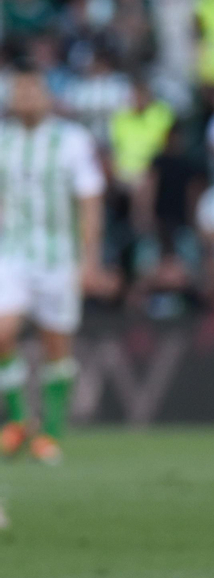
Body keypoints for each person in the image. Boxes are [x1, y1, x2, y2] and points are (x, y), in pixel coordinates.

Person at [0, 67, 112, 463]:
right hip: (12, 254)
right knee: (2, 331)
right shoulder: (4, 141)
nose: (26, 97)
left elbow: (90, 200)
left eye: (33, 90)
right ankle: (17, 420)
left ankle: (51, 432)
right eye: (20, 90)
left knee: (55, 346)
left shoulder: (71, 140)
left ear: (47, 95)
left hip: (58, 258)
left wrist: (90, 259)